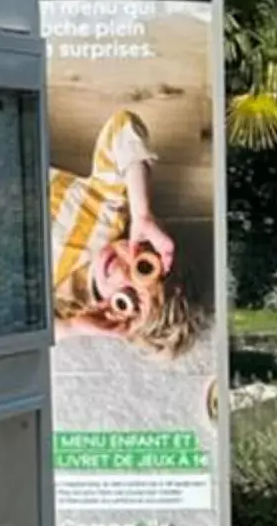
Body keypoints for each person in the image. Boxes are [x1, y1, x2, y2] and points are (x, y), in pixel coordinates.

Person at [49, 109, 199, 354]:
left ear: (116, 316)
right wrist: (142, 212)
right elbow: (123, 127)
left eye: (128, 299)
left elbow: (9, 340)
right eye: (142, 268)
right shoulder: (107, 210)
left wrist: (70, 328)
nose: (121, 271)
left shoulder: (64, 312)